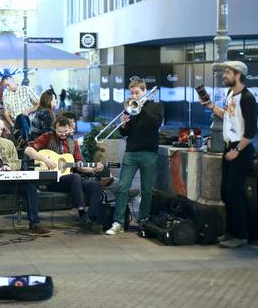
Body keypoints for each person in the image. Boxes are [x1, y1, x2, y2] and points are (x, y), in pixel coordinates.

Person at [200, 61, 257, 248]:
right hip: (230, 147)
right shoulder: (232, 94)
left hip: (240, 148)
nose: (224, 75)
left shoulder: (247, 98)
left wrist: (236, 151)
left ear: (238, 74)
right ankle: (231, 231)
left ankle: (240, 235)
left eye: (227, 72)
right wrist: (210, 105)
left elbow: (250, 132)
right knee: (226, 192)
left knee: (234, 193)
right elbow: (227, 116)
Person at [25, 116, 104, 232]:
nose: (63, 134)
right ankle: (82, 213)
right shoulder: (47, 137)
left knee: (95, 185)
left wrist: (93, 169)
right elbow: (28, 150)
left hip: (71, 180)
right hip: (52, 181)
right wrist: (44, 159)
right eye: (59, 132)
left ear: (69, 128)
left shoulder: (73, 143)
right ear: (54, 129)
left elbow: (79, 165)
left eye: (65, 131)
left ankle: (92, 220)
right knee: (75, 177)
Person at [105, 78, 164, 235]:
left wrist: (141, 108)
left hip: (149, 153)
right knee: (122, 187)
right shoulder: (129, 108)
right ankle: (118, 222)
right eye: (132, 93)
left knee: (146, 190)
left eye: (137, 92)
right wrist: (124, 124)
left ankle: (143, 221)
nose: (134, 95)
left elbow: (155, 123)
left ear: (144, 91)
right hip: (131, 152)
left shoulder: (156, 106)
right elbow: (124, 133)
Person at [2, 75, 38, 142]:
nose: (7, 87)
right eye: (5, 86)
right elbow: (6, 113)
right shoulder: (5, 94)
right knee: (20, 117)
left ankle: (26, 141)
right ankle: (28, 141)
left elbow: (39, 104)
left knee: (22, 116)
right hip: (16, 124)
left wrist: (28, 111)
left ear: (12, 80)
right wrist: (12, 125)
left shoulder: (26, 89)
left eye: (8, 85)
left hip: (29, 121)